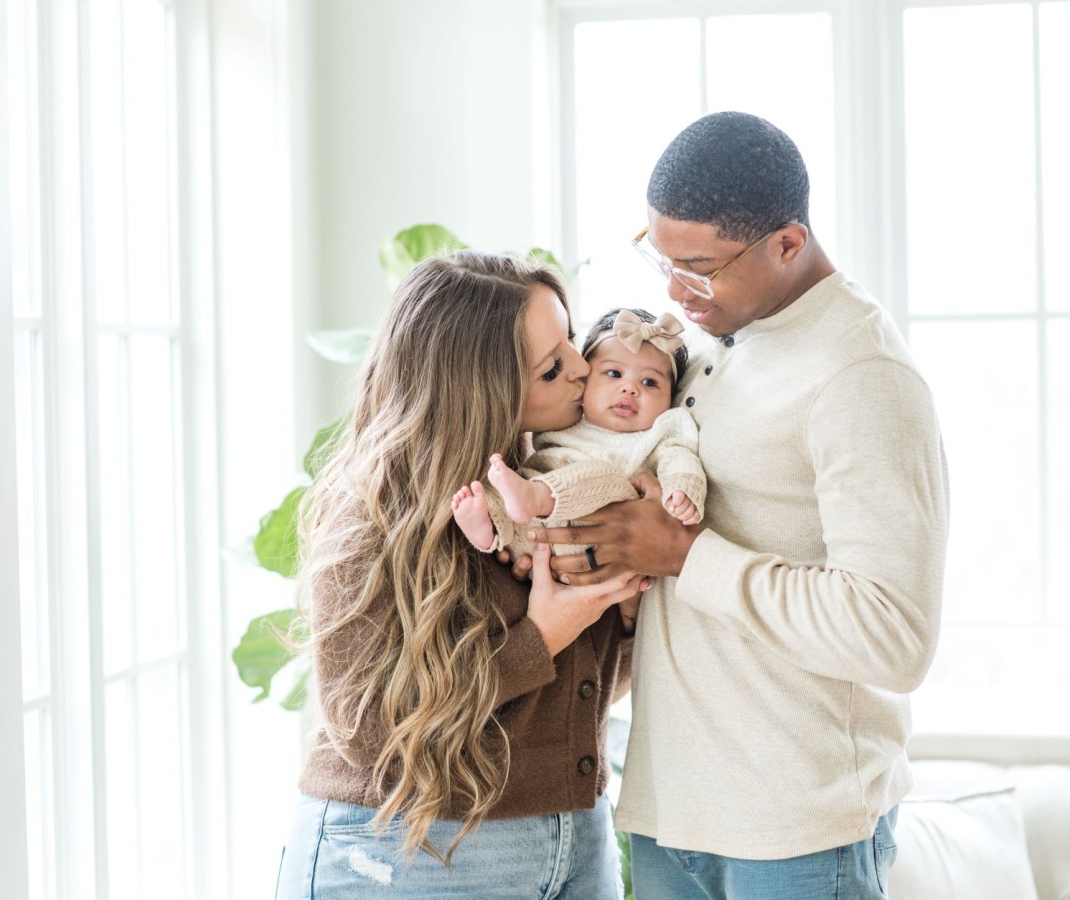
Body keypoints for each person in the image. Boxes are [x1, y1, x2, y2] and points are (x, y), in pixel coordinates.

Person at [529, 112, 950, 899]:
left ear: (787, 244)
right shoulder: (718, 338)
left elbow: (896, 637)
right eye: (661, 260)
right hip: (669, 814)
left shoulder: (864, 376)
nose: (673, 292)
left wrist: (684, 556)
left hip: (797, 833)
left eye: (699, 267)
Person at [275, 251, 646, 899]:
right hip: (406, 849)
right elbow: (369, 732)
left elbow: (566, 700)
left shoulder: (547, 489)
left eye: (572, 343)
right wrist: (544, 633)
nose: (584, 369)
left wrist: (624, 619)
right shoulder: (371, 520)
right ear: (483, 388)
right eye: (553, 366)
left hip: (572, 839)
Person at [450, 307, 707, 586]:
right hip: (536, 543)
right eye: (613, 373)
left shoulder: (660, 432)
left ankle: (534, 496)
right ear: (586, 378)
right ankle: (489, 529)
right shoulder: (566, 417)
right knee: (503, 486)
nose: (630, 389)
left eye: (649, 382)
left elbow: (680, 459)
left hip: (600, 537)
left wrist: (684, 491)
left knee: (605, 477)